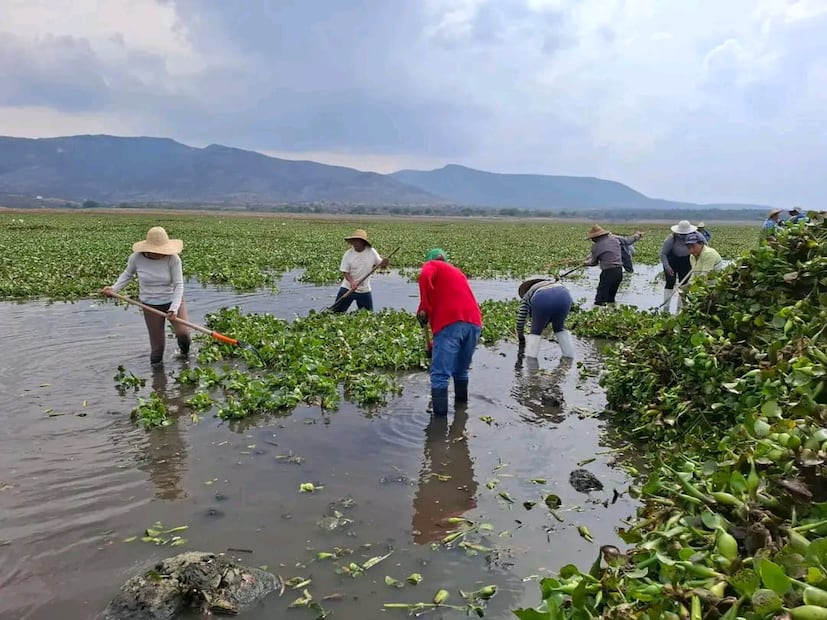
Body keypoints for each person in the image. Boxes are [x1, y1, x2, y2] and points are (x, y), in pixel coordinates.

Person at [102, 226, 190, 365]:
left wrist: (174, 309)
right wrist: (114, 289)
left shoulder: (173, 259)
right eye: (157, 251)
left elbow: (178, 285)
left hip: (173, 301)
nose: (160, 254)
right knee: (157, 350)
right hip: (150, 305)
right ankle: (157, 377)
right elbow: (127, 274)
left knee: (183, 334)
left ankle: (185, 359)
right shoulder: (136, 258)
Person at [416, 248, 482, 417]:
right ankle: (462, 411)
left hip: (450, 323)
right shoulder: (457, 273)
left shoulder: (432, 265)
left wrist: (424, 306)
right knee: (461, 370)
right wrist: (433, 345)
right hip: (474, 323)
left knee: (439, 376)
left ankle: (439, 423)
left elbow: (425, 274)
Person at [515, 278, 575, 360]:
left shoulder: (526, 296)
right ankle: (569, 357)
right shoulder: (552, 283)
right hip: (564, 294)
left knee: (536, 331)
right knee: (559, 328)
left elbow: (520, 321)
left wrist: (521, 338)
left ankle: (531, 362)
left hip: (542, 298)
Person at [332, 229, 389, 313]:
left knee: (368, 315)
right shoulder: (348, 254)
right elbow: (345, 272)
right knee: (336, 313)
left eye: (357, 241)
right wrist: (352, 282)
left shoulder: (371, 252)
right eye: (354, 241)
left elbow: (382, 265)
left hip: (364, 289)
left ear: (363, 242)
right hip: (348, 288)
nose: (355, 244)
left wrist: (385, 262)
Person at [583, 225, 641, 306]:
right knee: (610, 299)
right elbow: (628, 241)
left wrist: (586, 263)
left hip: (607, 273)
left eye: (593, 238)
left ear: (597, 237)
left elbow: (594, 263)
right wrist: (637, 236)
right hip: (619, 272)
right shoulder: (615, 238)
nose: (592, 240)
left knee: (599, 301)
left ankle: (599, 312)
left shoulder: (596, 247)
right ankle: (611, 311)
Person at [659, 220, 696, 313]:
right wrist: (667, 267)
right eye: (681, 234)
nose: (683, 236)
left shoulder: (695, 237)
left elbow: (703, 249)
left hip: (686, 262)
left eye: (685, 234)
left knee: (684, 284)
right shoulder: (671, 239)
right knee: (670, 282)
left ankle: (680, 307)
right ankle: (666, 307)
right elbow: (663, 254)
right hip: (672, 261)